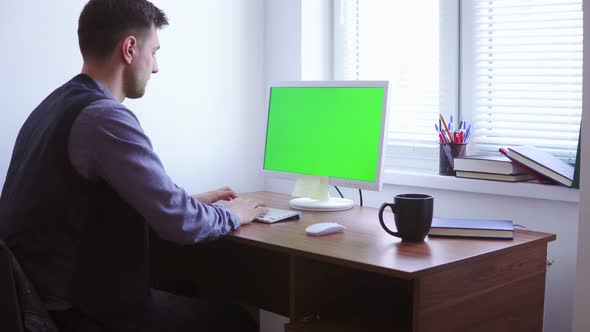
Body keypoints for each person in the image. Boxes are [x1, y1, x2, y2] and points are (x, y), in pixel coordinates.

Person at [0, 0, 267, 331]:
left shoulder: (53, 106)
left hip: (37, 300)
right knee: (235, 320)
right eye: (154, 52)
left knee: (184, 285)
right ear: (129, 49)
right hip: (75, 313)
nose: (155, 67)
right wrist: (234, 214)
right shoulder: (104, 117)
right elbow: (180, 223)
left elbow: (90, 205)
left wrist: (190, 201)